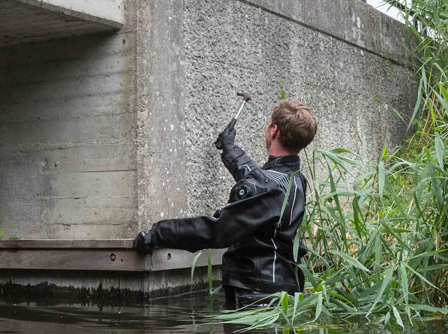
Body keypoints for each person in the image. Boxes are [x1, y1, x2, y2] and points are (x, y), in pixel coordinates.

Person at [132, 99, 318, 310]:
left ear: (273, 130)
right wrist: (230, 150)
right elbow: (262, 183)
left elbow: (216, 230)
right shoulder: (296, 179)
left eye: (268, 124)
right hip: (285, 291)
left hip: (256, 296)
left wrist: (155, 234)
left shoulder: (266, 187)